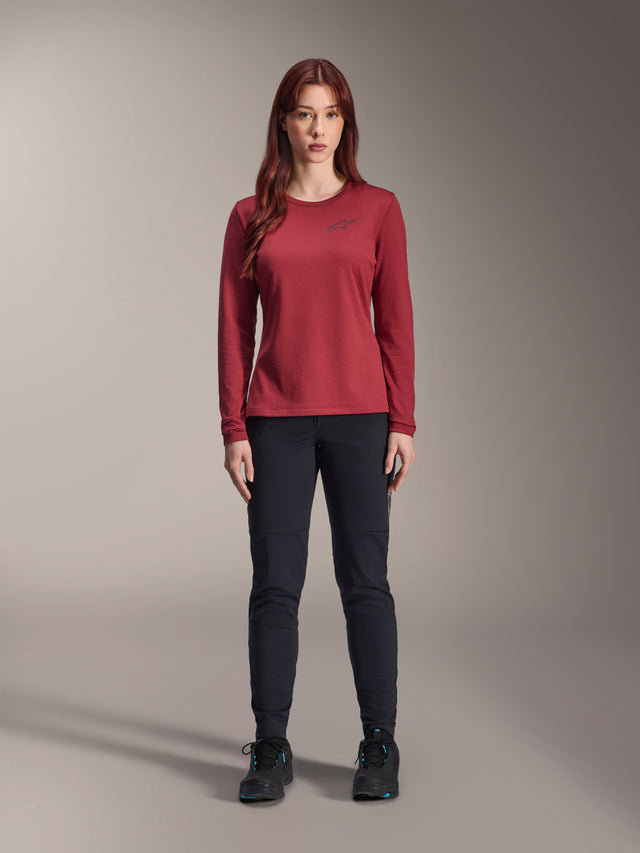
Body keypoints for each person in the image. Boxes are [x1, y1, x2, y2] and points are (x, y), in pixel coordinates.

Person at [217, 57, 416, 802]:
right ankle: (271, 746)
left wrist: (404, 419)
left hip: (363, 419)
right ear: (284, 122)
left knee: (366, 582)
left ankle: (379, 742)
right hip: (276, 421)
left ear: (345, 123)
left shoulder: (378, 209)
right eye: (305, 113)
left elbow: (395, 322)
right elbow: (234, 328)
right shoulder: (250, 216)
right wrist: (233, 425)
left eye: (331, 113)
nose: (318, 128)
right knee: (275, 586)